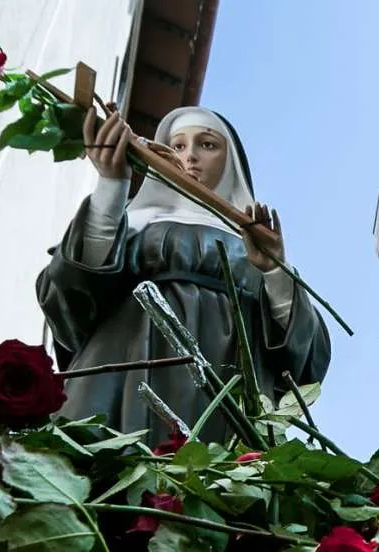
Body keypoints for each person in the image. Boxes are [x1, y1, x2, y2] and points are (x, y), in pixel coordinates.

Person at [36, 105, 330, 446]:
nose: (190, 156)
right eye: (178, 145)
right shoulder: (131, 221)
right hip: (123, 370)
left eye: (207, 144)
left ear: (230, 161)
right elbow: (70, 295)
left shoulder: (252, 241)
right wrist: (112, 186)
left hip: (224, 386)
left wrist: (275, 270)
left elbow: (303, 356)